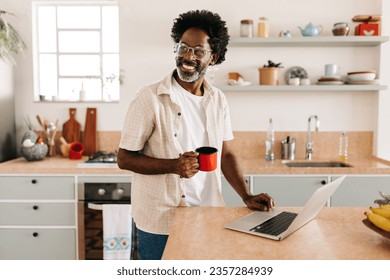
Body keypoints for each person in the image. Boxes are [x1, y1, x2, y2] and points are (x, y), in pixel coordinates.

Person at [117, 10, 275, 260]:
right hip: (161, 220)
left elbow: (226, 153)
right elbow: (124, 158)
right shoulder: (149, 98)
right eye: (183, 48)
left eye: (198, 51)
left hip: (209, 213)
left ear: (214, 57)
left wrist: (246, 195)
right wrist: (174, 165)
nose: (188, 57)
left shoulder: (217, 99)